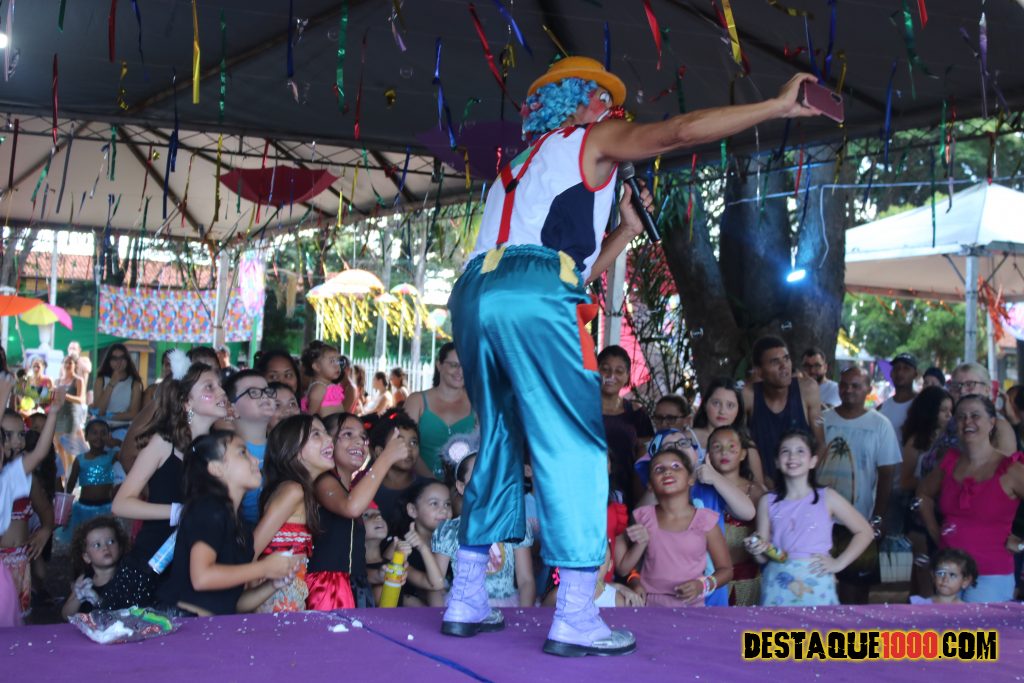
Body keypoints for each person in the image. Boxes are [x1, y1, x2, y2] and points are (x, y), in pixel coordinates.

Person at [444, 55, 821, 655]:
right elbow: (677, 132)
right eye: (605, 100)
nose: (615, 112)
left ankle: (466, 596)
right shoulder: (590, 139)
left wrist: (623, 232)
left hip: (474, 295)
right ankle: (575, 610)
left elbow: (561, 270)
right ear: (578, 102)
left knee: (499, 440)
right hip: (534, 294)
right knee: (574, 445)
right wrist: (776, 106)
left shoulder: (515, 167)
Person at [112, 363, 228, 595]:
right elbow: (121, 504)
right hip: (153, 561)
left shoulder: (221, 448)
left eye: (220, 386)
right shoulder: (164, 444)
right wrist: (177, 512)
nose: (222, 392)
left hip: (197, 564)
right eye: (209, 387)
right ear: (187, 403)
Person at [157, 431, 300, 616]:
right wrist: (264, 568)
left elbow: (235, 604)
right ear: (216, 468)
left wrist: (273, 584)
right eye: (242, 453)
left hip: (211, 625)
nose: (256, 460)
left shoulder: (241, 528)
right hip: (182, 623)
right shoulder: (207, 509)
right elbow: (202, 578)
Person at [917, 395, 1024, 602]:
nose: (967, 422)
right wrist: (936, 533)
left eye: (975, 416)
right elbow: (923, 494)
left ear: (991, 423)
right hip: (948, 575)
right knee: (945, 624)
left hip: (991, 575)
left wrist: (1021, 545)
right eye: (961, 417)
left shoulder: (1010, 469)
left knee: (980, 625)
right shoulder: (949, 462)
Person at [751, 430, 873, 606]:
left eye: (800, 451)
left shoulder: (828, 497)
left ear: (813, 461)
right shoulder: (767, 501)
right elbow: (762, 558)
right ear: (777, 461)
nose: (793, 456)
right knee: (777, 625)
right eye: (785, 451)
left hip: (817, 582)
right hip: (777, 584)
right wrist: (756, 550)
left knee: (818, 625)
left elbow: (865, 532)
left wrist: (838, 563)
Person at [306, 412, 410, 610]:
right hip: (327, 591)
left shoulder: (352, 491)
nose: (360, 442)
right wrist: (386, 458)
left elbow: (351, 565)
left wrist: (379, 574)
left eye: (363, 437)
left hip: (355, 589)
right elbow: (351, 507)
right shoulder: (323, 481)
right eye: (347, 434)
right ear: (328, 443)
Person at [821, 366, 902, 604]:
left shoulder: (880, 424)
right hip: (821, 518)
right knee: (819, 583)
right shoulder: (822, 420)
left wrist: (877, 518)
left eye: (856, 385)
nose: (848, 390)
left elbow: (887, 474)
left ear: (868, 389)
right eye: (844, 384)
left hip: (860, 520)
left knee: (855, 589)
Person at [616, 446, 733, 607]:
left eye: (676, 466)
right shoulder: (643, 517)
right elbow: (631, 568)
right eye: (659, 469)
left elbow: (726, 570)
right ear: (650, 485)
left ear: (690, 479)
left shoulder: (705, 520)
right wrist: (634, 582)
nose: (667, 472)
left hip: (692, 608)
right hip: (649, 606)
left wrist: (702, 585)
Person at [432, 432, 536, 609]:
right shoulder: (449, 531)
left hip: (507, 608)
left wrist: (523, 615)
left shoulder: (515, 526)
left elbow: (526, 580)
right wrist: (442, 615)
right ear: (461, 486)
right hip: (461, 608)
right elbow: (436, 586)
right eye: (478, 476)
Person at [252, 415, 336, 613]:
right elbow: (252, 549)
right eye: (316, 434)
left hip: (287, 600)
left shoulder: (303, 492)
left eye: (326, 433)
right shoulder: (293, 490)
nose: (329, 439)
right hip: (271, 602)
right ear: (292, 451)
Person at [0, 388, 62, 623]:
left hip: (16, 562)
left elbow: (39, 453)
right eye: (8, 436)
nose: (16, 442)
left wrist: (54, 412)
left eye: (21, 434)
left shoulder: (15, 477)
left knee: (15, 623)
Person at [744, 336, 826, 485]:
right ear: (759, 371)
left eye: (786, 359)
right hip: (762, 486)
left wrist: (801, 480)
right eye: (775, 362)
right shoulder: (748, 395)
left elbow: (820, 444)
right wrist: (760, 481)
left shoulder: (807, 389)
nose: (784, 366)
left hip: (801, 485)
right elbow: (740, 445)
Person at [898, 386, 953, 596]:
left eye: (951, 410)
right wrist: (931, 483)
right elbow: (904, 481)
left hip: (943, 512)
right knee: (924, 575)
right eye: (943, 410)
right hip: (919, 515)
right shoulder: (917, 440)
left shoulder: (953, 439)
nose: (949, 415)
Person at [707, 426, 766, 606]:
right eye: (717, 447)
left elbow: (764, 536)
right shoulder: (701, 490)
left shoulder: (755, 491)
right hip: (709, 577)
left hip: (747, 579)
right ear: (708, 454)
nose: (724, 452)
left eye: (731, 447)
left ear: (743, 454)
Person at [403, 343, 476, 480]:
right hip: (419, 483)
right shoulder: (417, 401)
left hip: (463, 486)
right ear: (439, 365)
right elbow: (405, 445)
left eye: (464, 366)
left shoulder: (477, 404)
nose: (460, 371)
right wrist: (432, 481)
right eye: (454, 365)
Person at [60, 516, 152, 616]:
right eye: (97, 545)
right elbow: (65, 614)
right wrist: (79, 597)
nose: (105, 547)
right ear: (87, 557)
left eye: (111, 542)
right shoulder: (84, 580)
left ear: (120, 547)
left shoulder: (126, 578)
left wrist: (100, 603)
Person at [598, 345, 654, 508]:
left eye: (619, 371)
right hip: (587, 487)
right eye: (605, 369)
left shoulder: (636, 413)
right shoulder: (581, 410)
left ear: (627, 376)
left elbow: (644, 458)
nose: (611, 376)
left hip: (627, 491)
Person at [223, 370, 276, 525]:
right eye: (253, 392)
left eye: (267, 391)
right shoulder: (225, 453)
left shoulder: (283, 447)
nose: (265, 396)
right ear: (231, 408)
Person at [692, 378, 766, 489]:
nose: (722, 411)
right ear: (705, 404)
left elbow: (759, 489)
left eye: (730, 405)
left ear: (739, 409)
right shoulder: (686, 439)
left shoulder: (746, 445)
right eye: (716, 403)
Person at [60, 419, 118, 542]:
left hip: (106, 507)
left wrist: (116, 442)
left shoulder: (112, 455)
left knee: (105, 538)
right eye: (94, 433)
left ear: (109, 436)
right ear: (86, 437)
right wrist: (63, 507)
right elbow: (70, 485)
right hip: (84, 508)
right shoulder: (80, 459)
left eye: (103, 433)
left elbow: (129, 452)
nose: (99, 437)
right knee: (84, 539)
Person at [394, 479, 449, 607]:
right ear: (413, 510)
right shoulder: (400, 546)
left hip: (445, 607)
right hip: (410, 609)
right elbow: (436, 584)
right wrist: (423, 548)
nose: (444, 510)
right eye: (434, 503)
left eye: (447, 504)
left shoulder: (448, 539)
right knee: (433, 593)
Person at [371, 411, 431, 528]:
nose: (408, 448)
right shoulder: (368, 492)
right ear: (380, 451)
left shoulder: (428, 489)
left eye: (413, 442)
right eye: (399, 441)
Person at [945, 362, 1016, 453]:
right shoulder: (947, 421)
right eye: (956, 386)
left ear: (987, 389)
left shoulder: (999, 427)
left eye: (970, 385)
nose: (962, 391)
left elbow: (1005, 461)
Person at [91, 344, 145, 431]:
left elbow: (133, 414)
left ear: (127, 360)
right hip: (101, 429)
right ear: (109, 361)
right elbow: (98, 411)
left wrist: (109, 415)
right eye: (114, 358)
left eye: (122, 358)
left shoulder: (135, 384)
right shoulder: (100, 381)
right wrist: (111, 384)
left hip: (123, 429)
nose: (118, 362)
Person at [54, 354, 88, 476]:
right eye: (66, 362)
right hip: (58, 416)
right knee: (58, 447)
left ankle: (71, 475)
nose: (68, 365)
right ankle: (63, 476)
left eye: (70, 363)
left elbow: (81, 399)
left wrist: (65, 395)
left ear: (75, 365)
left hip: (71, 416)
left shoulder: (78, 380)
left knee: (69, 447)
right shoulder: (57, 381)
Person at [909, 548, 978, 605]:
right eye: (941, 573)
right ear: (933, 576)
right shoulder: (920, 605)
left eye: (952, 575)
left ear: (965, 582)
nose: (945, 579)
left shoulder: (966, 611)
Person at [300, 341, 347, 418]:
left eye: (338, 361)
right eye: (332, 361)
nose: (337, 365)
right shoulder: (319, 388)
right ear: (317, 367)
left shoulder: (328, 386)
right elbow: (311, 418)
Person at [877, 352, 918, 437]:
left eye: (906, 368)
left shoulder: (922, 404)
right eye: (896, 368)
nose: (900, 372)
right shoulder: (881, 408)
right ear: (891, 374)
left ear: (915, 375)